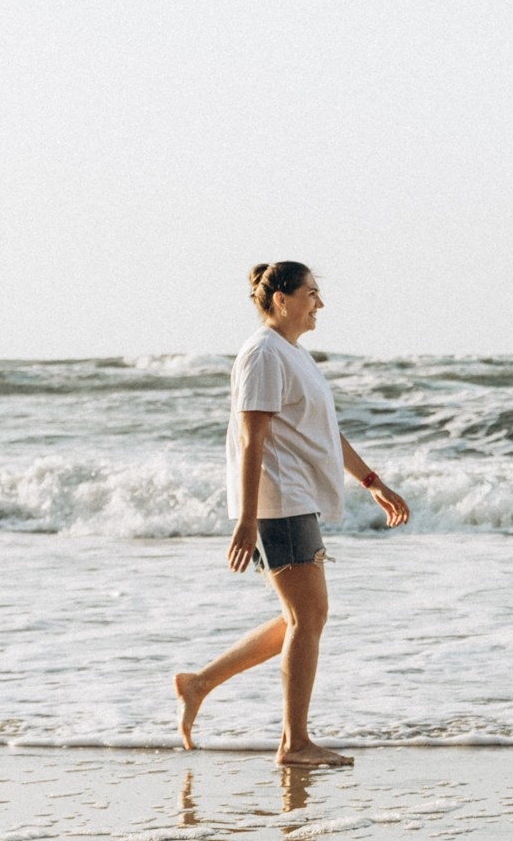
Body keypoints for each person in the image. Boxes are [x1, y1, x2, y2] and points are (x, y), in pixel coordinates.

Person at [175, 261, 409, 767]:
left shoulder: (292, 354)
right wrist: (247, 515)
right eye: (311, 293)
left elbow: (323, 432)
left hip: (296, 499)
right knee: (309, 616)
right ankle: (294, 743)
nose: (319, 303)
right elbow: (250, 436)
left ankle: (199, 683)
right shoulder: (261, 354)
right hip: (278, 503)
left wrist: (373, 483)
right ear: (281, 299)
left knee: (301, 618)